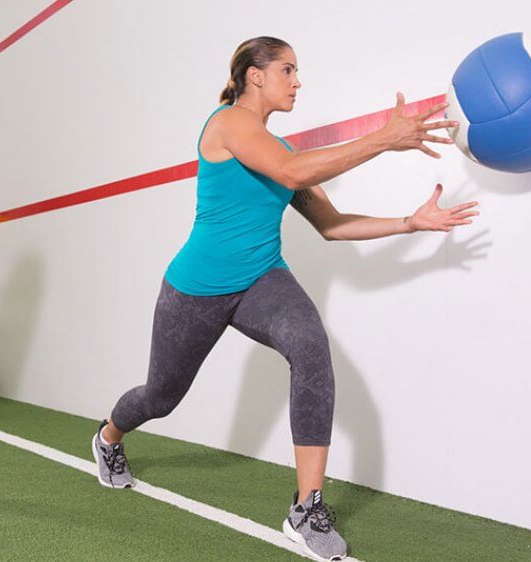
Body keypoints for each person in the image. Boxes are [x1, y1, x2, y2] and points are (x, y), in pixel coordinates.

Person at [91, 36, 478, 560]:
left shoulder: (284, 154)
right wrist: (383, 138)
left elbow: (332, 226)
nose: (298, 82)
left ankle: (306, 507)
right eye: (288, 70)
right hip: (196, 288)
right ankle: (109, 437)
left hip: (262, 279)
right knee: (161, 398)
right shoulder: (228, 124)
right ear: (255, 75)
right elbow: (293, 173)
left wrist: (410, 222)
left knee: (311, 346)